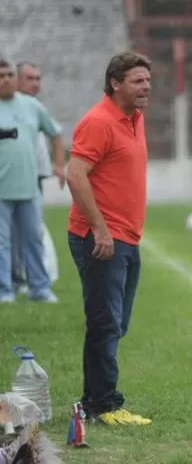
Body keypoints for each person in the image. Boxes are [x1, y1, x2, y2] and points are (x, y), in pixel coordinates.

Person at [66, 51, 153, 425]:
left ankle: (93, 398)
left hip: (126, 238)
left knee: (116, 324)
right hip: (101, 238)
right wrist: (100, 228)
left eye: (148, 80)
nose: (146, 87)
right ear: (115, 83)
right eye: (137, 81)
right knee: (105, 323)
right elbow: (74, 174)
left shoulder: (136, 118)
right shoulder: (99, 121)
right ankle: (103, 404)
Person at [0, 58, 64, 304]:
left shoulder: (31, 107)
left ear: (15, 79)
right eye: (1, 76)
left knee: (34, 240)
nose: (6, 79)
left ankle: (40, 288)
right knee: (2, 245)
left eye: (8, 75)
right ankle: (5, 291)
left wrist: (59, 165)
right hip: (1, 191)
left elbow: (55, 133)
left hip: (29, 188)